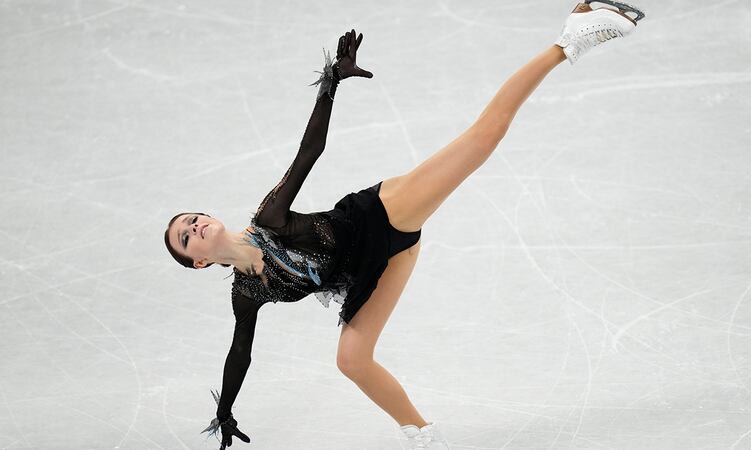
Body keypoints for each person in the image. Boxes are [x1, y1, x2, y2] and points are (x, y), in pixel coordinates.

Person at [163, 2, 645, 449]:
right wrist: (224, 411)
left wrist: (331, 81)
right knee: (352, 360)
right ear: (198, 262)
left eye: (192, 219)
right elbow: (239, 353)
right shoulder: (247, 293)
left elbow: (310, 152)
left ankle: (570, 38)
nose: (194, 226)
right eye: (185, 237)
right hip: (376, 268)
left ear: (209, 216)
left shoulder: (268, 219)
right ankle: (423, 435)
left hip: (381, 215)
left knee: (481, 139)